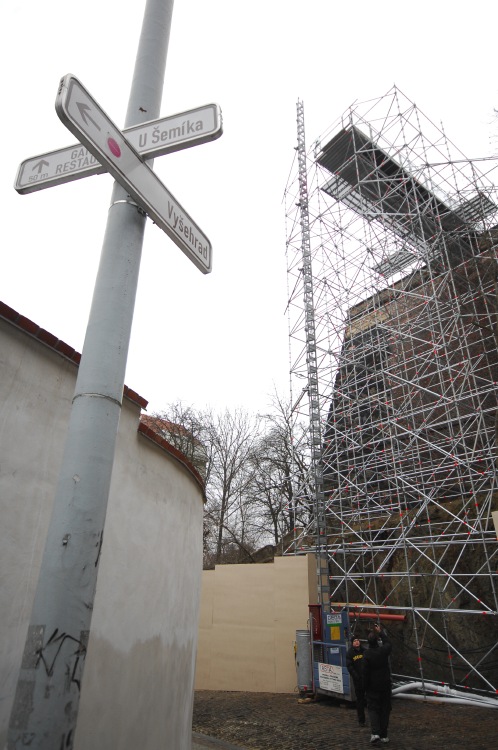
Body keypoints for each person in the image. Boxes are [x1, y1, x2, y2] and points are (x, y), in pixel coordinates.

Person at [363, 624, 392, 745]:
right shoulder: (383, 651)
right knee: (385, 710)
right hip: (385, 685)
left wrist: (364, 688)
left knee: (373, 709)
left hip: (372, 687)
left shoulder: (367, 655)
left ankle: (375, 733)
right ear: (377, 641)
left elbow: (364, 673)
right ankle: (384, 735)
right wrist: (381, 633)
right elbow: (389, 644)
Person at [346, 636, 366, 727]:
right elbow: (350, 667)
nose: (357, 642)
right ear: (352, 643)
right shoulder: (350, 653)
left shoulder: (365, 651)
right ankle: (361, 720)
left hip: (366, 678)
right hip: (358, 680)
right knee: (360, 700)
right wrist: (356, 676)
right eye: (355, 641)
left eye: (358, 640)